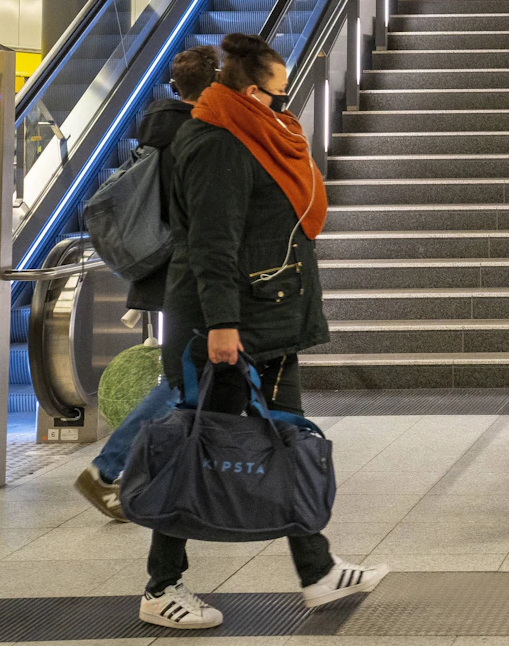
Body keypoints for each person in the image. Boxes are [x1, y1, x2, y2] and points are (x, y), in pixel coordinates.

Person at [140, 34, 385, 628]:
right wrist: (222, 325)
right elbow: (212, 243)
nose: (286, 102)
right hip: (226, 330)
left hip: (266, 319)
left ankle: (318, 571)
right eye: (280, 90)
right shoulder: (219, 143)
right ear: (252, 92)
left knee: (284, 441)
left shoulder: (255, 137)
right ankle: (159, 589)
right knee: (199, 449)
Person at [75, 45, 220, 522]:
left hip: (160, 266)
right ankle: (108, 470)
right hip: (185, 270)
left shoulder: (157, 128)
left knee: (195, 378)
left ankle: (189, 473)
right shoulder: (194, 134)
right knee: (183, 383)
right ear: (213, 82)